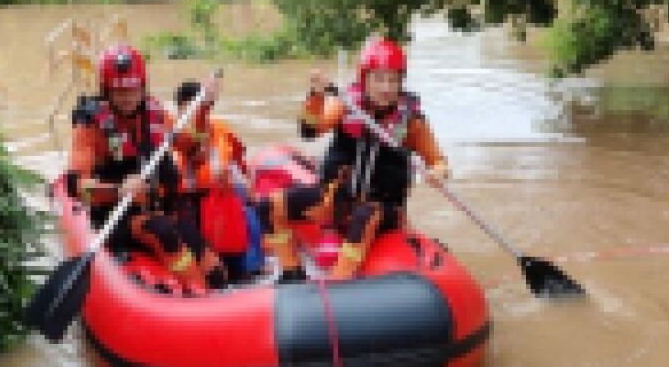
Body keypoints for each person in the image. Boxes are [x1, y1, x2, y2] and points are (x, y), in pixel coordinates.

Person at [258, 38, 450, 282]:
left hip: (382, 209)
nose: (386, 88)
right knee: (268, 206)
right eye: (379, 79)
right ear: (364, 80)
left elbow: (438, 161)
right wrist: (316, 96)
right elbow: (309, 130)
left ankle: (339, 283)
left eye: (393, 80)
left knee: (365, 214)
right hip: (336, 200)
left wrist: (438, 173)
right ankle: (291, 272)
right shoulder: (345, 105)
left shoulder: (411, 122)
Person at [66, 45, 225, 294]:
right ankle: (200, 300)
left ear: (142, 86)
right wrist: (118, 189)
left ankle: (215, 291)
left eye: (132, 88)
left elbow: (194, 152)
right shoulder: (90, 126)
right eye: (118, 91)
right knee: (161, 232)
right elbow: (75, 187)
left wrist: (203, 108)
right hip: (118, 217)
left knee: (213, 268)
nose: (127, 97)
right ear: (106, 90)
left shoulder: (154, 114)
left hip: (160, 209)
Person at [169, 80, 254, 283]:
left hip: (223, 203)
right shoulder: (171, 135)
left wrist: (249, 189)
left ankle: (238, 269)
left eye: (202, 107)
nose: (198, 113)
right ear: (180, 108)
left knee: (243, 208)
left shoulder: (222, 129)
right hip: (190, 205)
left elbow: (240, 163)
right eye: (192, 107)